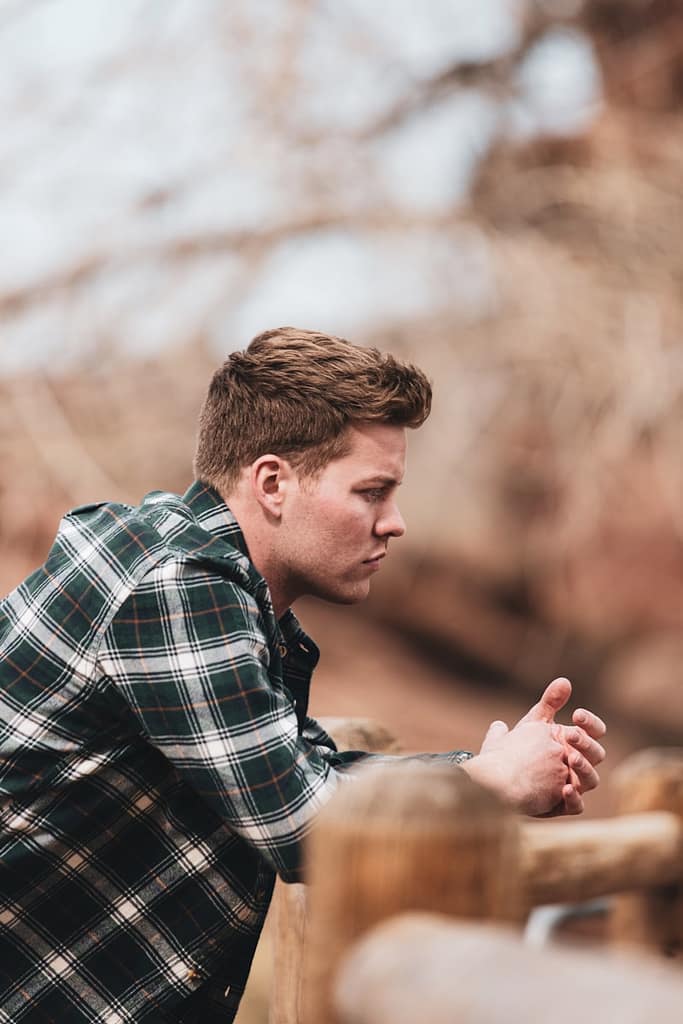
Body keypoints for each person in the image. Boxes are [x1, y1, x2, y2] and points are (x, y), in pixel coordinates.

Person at [0, 327, 605, 1023]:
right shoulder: (176, 588)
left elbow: (301, 770)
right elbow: (301, 824)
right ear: (272, 483)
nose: (395, 524)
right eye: (371, 492)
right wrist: (488, 787)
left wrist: (483, 766)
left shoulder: (199, 573)